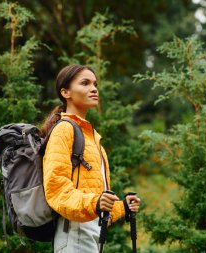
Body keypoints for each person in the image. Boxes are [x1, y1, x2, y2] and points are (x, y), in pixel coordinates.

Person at [41, 64, 141, 253]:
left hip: (91, 234)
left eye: (95, 84)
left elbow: (98, 204)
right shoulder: (64, 129)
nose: (93, 88)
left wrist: (123, 207)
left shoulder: (92, 137)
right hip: (74, 234)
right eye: (85, 83)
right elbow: (56, 188)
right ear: (66, 92)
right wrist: (95, 203)